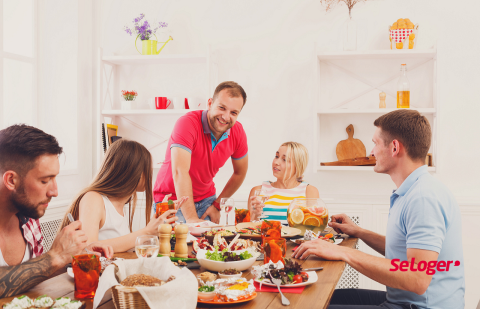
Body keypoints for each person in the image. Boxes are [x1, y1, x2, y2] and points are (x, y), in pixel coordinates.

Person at [292, 110, 464, 309]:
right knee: (320, 296)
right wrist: (358, 232)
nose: (371, 152)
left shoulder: (423, 198)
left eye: (375, 143)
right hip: (404, 302)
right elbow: (403, 252)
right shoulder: (413, 190)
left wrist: (341, 253)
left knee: (307, 306)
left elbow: (417, 278)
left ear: (394, 147)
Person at [0, 124, 112, 298]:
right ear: (11, 180)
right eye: (45, 181)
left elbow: (28, 277)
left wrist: (70, 256)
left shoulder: (28, 219)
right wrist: (55, 256)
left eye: (54, 178)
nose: (54, 192)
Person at [60, 139, 187, 253]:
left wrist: (159, 219)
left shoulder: (121, 204)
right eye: (147, 169)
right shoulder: (93, 199)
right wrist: (146, 232)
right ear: (135, 173)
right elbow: (88, 248)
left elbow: (124, 246)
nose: (149, 175)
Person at [153, 81, 249, 223]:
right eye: (222, 108)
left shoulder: (238, 132)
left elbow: (240, 172)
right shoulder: (187, 123)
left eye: (234, 112)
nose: (226, 117)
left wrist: (217, 205)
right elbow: (180, 172)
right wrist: (191, 218)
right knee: (179, 245)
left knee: (211, 245)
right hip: (173, 201)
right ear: (210, 103)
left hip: (206, 202)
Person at [248, 142, 319, 223]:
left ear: (297, 166)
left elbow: (312, 225)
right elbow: (249, 228)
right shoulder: (258, 190)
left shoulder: (309, 191)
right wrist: (256, 214)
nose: (276, 162)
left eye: (284, 159)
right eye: (276, 156)